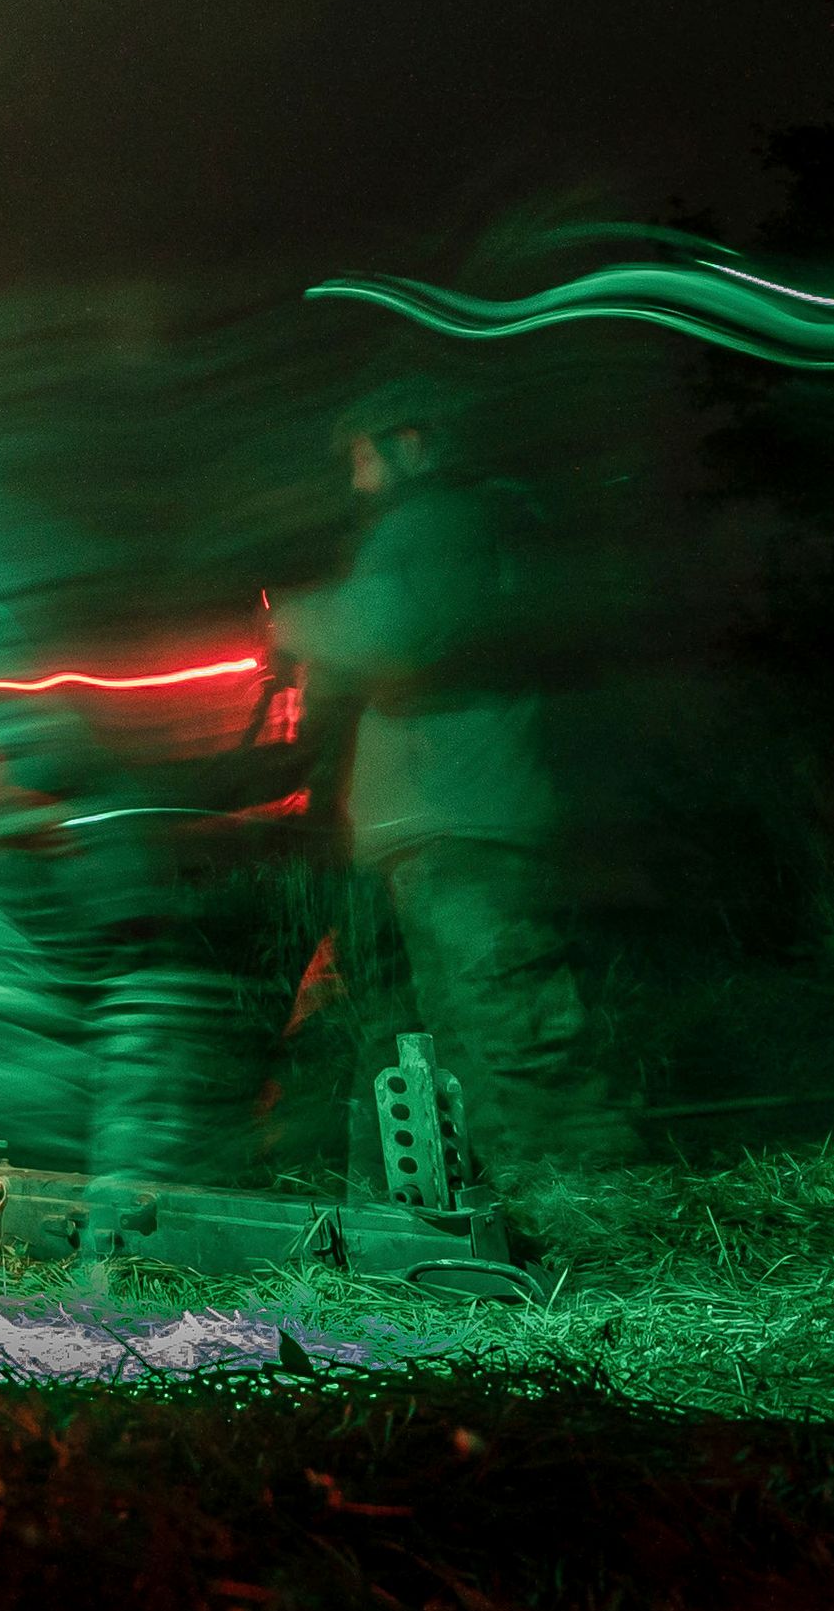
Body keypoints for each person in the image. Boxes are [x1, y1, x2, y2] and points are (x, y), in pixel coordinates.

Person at [268, 383, 632, 1169]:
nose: (358, 478)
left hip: (466, 828)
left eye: (366, 454)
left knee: (513, 1032)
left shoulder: (437, 522)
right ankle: (540, 1210)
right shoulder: (455, 528)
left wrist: (291, 622)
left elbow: (392, 630)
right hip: (451, 828)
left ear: (415, 443)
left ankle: (593, 1213)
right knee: (477, 1036)